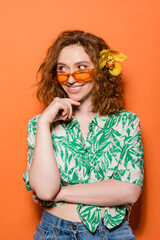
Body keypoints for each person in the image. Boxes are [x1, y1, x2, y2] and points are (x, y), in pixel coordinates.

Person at [23, 30, 144, 240]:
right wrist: (44, 122)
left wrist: (59, 193)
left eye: (81, 69)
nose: (71, 79)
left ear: (101, 71)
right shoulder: (39, 125)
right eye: (62, 69)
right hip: (54, 232)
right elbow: (44, 191)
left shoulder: (126, 122)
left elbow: (129, 191)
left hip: (112, 233)